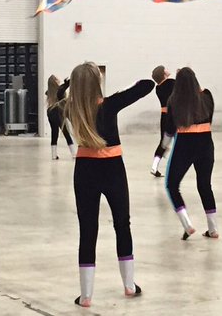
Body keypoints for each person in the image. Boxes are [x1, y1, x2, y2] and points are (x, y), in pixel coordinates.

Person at [65, 63, 154, 308]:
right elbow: (147, 85)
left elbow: (60, 97)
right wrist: (120, 91)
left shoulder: (69, 108)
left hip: (84, 170)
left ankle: (86, 296)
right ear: (97, 83)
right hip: (113, 169)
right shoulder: (111, 104)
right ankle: (129, 285)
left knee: (88, 230)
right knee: (122, 224)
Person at [163, 67, 218, 240]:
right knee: (205, 185)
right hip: (206, 144)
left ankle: (187, 225)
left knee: (172, 185)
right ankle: (213, 229)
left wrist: (164, 147)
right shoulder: (207, 96)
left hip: (185, 146)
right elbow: (210, 118)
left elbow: (169, 129)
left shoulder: (173, 101)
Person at [149, 66, 175, 177]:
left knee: (163, 142)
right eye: (165, 69)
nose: (167, 70)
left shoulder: (158, 88)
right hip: (174, 116)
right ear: (163, 73)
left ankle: (154, 167)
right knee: (179, 141)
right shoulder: (171, 83)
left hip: (164, 116)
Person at [46, 75, 75, 160]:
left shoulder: (50, 92)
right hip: (58, 112)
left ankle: (53, 155)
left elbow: (61, 88)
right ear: (55, 81)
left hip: (50, 112)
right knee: (66, 132)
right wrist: (68, 82)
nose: (59, 79)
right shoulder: (59, 90)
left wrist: (65, 84)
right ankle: (73, 153)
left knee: (54, 133)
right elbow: (62, 88)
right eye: (57, 78)